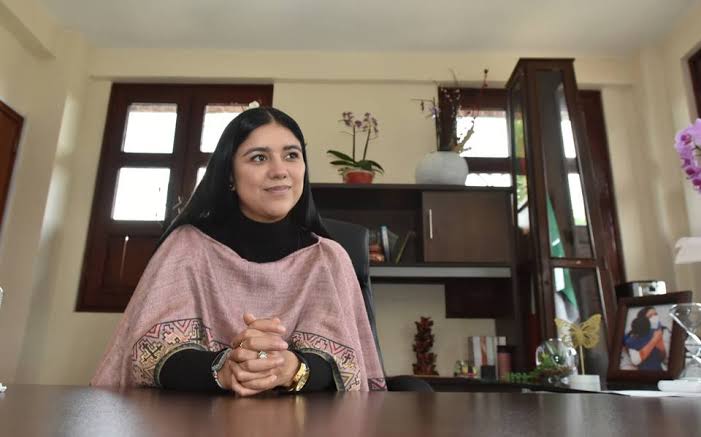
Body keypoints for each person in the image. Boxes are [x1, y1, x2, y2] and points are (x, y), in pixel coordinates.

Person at [91, 107, 386, 394]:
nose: (280, 171)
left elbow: (344, 367)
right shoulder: (187, 247)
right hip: (197, 417)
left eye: (291, 156)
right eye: (259, 158)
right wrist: (226, 368)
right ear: (229, 175)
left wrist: (290, 368)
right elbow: (152, 355)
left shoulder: (328, 258)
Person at [622, 306, 667, 371]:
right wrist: (654, 340)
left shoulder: (661, 331)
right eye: (650, 316)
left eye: (655, 314)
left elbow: (662, 357)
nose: (654, 317)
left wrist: (660, 345)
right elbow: (636, 360)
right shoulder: (631, 338)